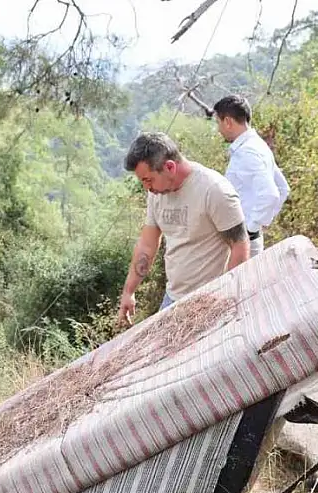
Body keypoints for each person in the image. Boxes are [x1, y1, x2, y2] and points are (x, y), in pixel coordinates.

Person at [118, 131, 250, 324]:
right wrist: (129, 291)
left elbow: (240, 247)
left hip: (210, 300)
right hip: (172, 298)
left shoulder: (214, 190)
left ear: (170, 167)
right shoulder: (156, 194)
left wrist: (225, 299)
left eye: (148, 180)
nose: (147, 187)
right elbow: (147, 245)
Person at [213, 94, 290, 257]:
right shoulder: (257, 146)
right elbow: (283, 188)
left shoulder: (247, 151)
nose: (218, 129)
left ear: (227, 122)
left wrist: (250, 229)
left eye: (218, 123)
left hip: (244, 241)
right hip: (249, 239)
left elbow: (271, 194)